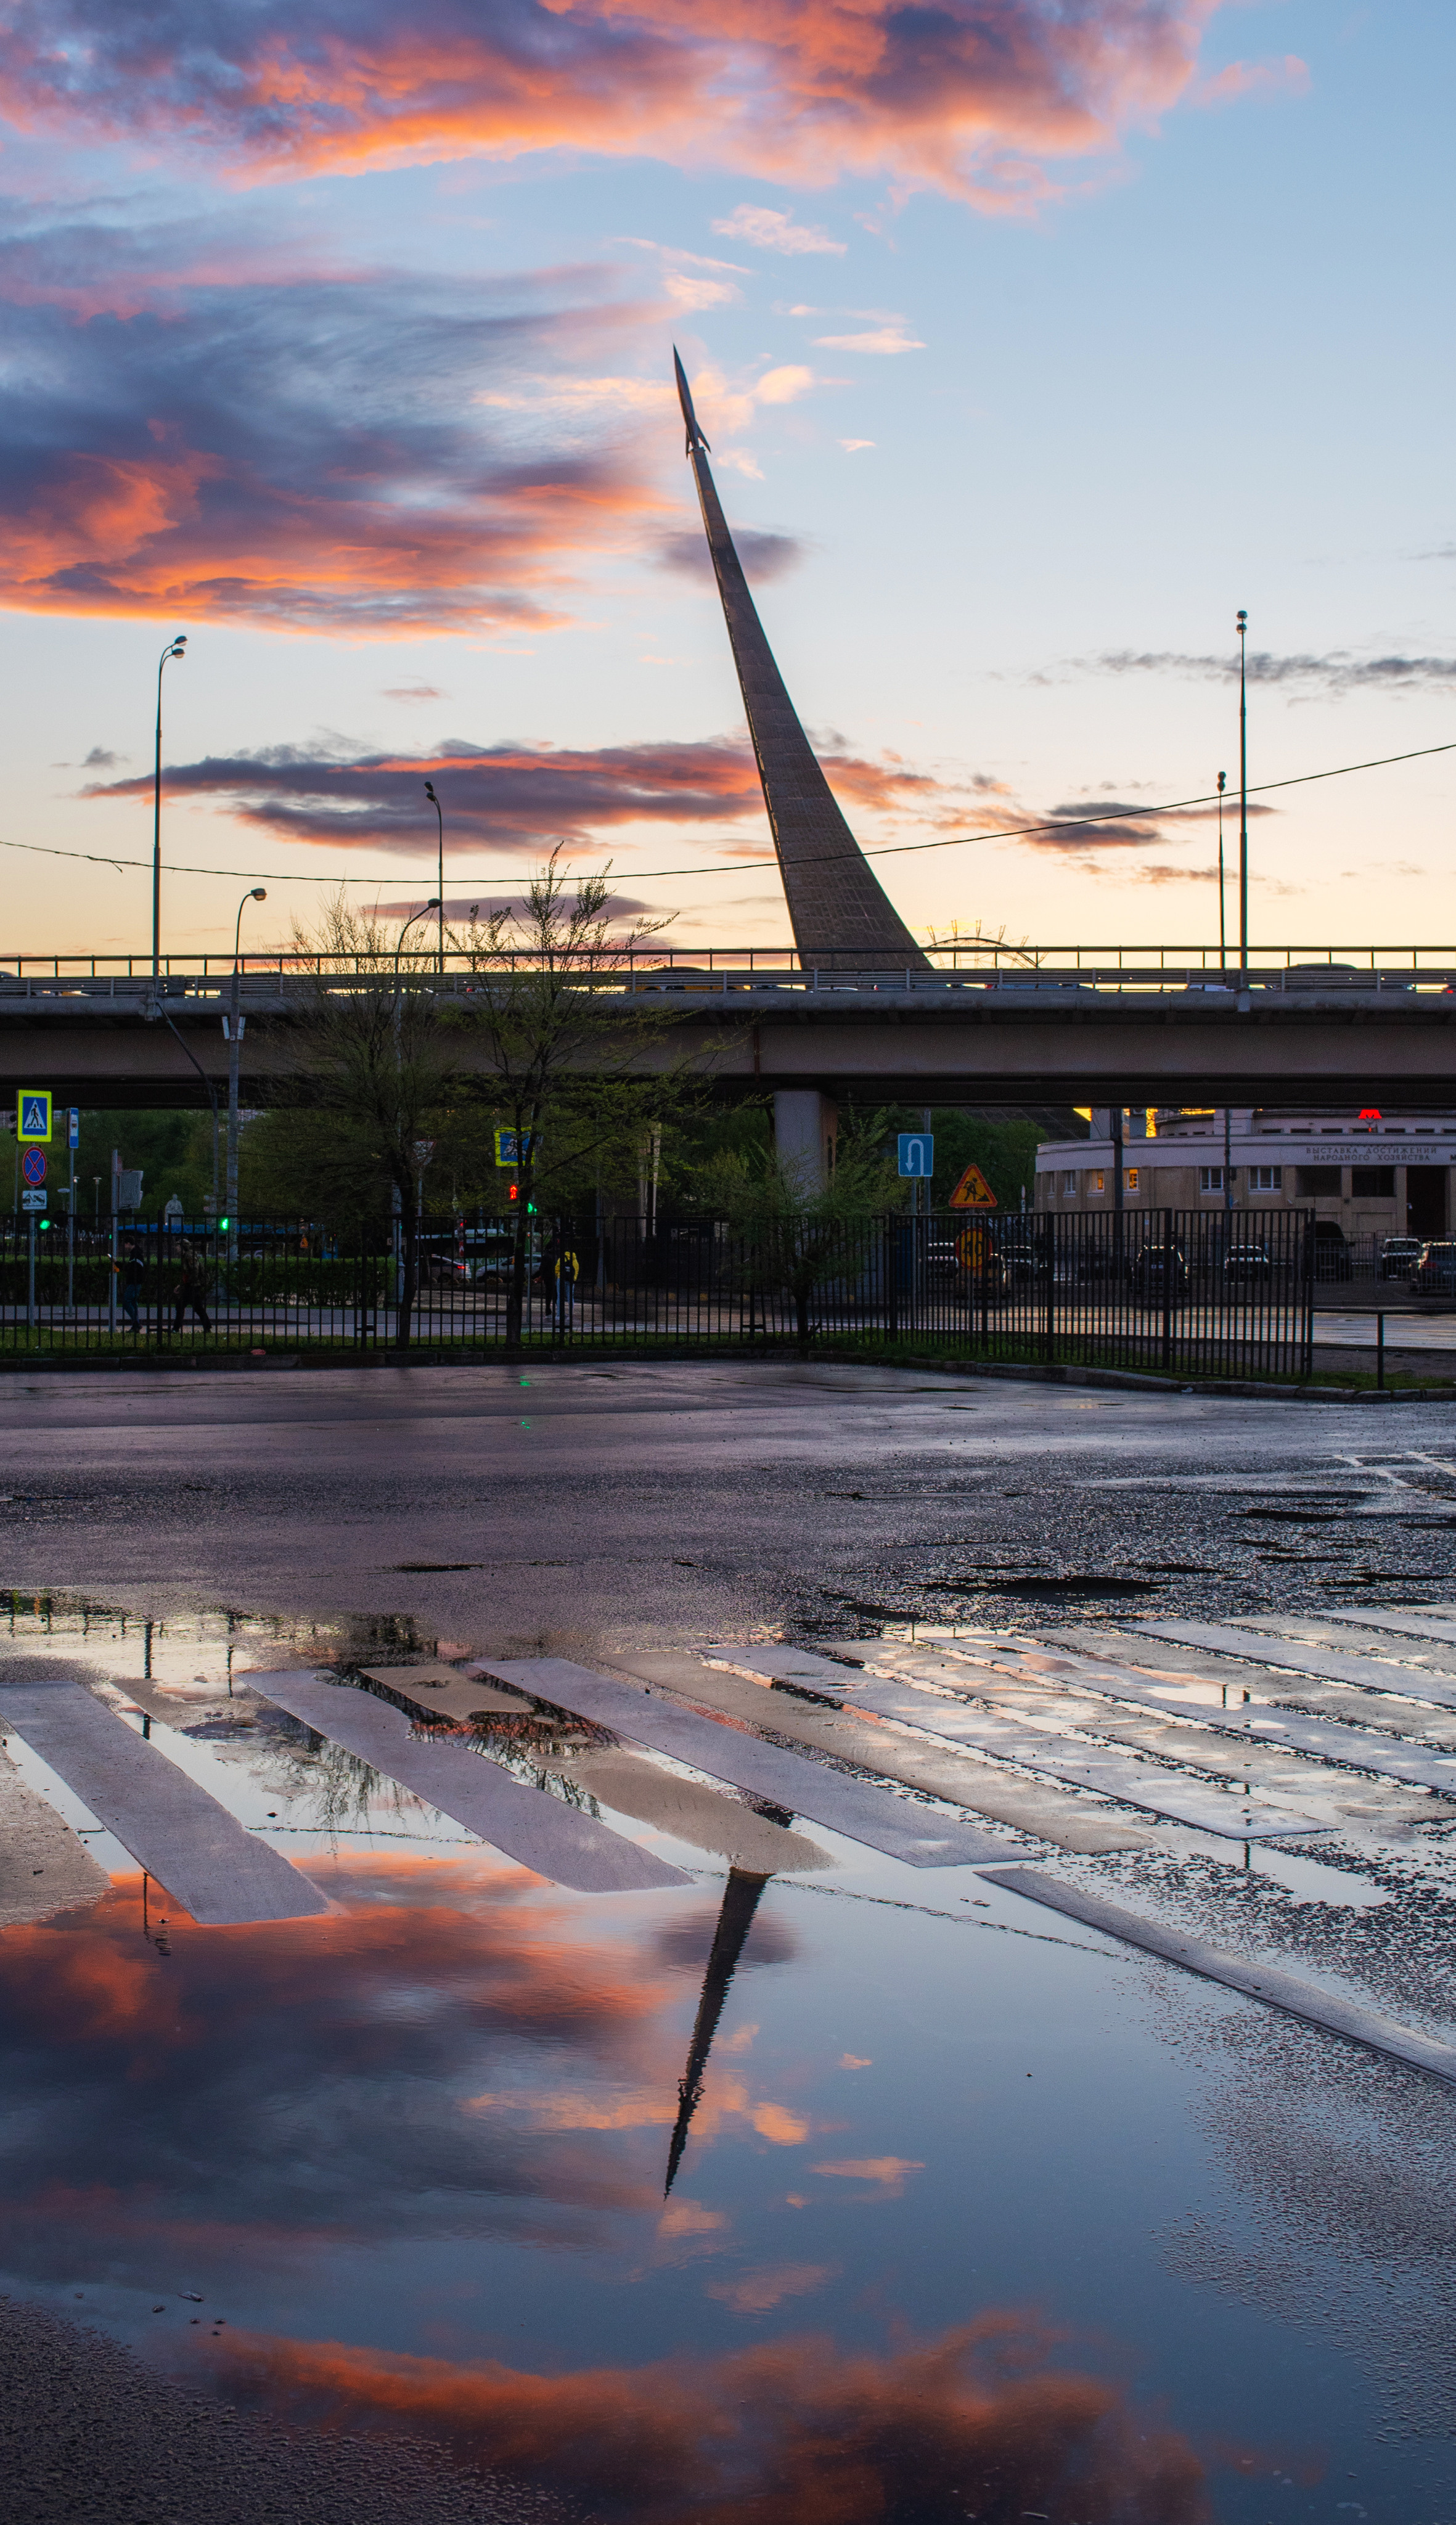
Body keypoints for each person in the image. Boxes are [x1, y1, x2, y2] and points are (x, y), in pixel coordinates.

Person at [173, 1238, 212, 1335]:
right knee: (198, 1308)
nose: (176, 1248)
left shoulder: (189, 1256)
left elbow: (194, 1270)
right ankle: (207, 1327)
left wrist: (187, 1284)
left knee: (180, 1305)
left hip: (192, 1286)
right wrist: (182, 1285)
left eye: (178, 1246)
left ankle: (176, 1328)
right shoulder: (186, 1256)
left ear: (183, 1247)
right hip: (192, 1286)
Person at [118, 1236, 144, 1332]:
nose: (125, 1247)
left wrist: (119, 1265)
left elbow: (130, 1268)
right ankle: (135, 1326)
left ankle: (136, 1323)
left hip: (134, 1282)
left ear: (129, 1244)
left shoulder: (136, 1254)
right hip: (136, 1282)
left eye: (125, 1244)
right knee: (133, 1303)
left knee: (126, 1302)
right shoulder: (136, 1253)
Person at [554, 1243, 579, 1333]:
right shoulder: (575, 1260)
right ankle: (570, 1313)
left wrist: (558, 1275)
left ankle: (559, 1314)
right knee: (570, 1297)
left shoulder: (562, 1259)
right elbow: (576, 1271)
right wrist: (574, 1279)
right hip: (571, 1281)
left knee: (560, 1296)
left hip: (562, 1279)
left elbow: (557, 1269)